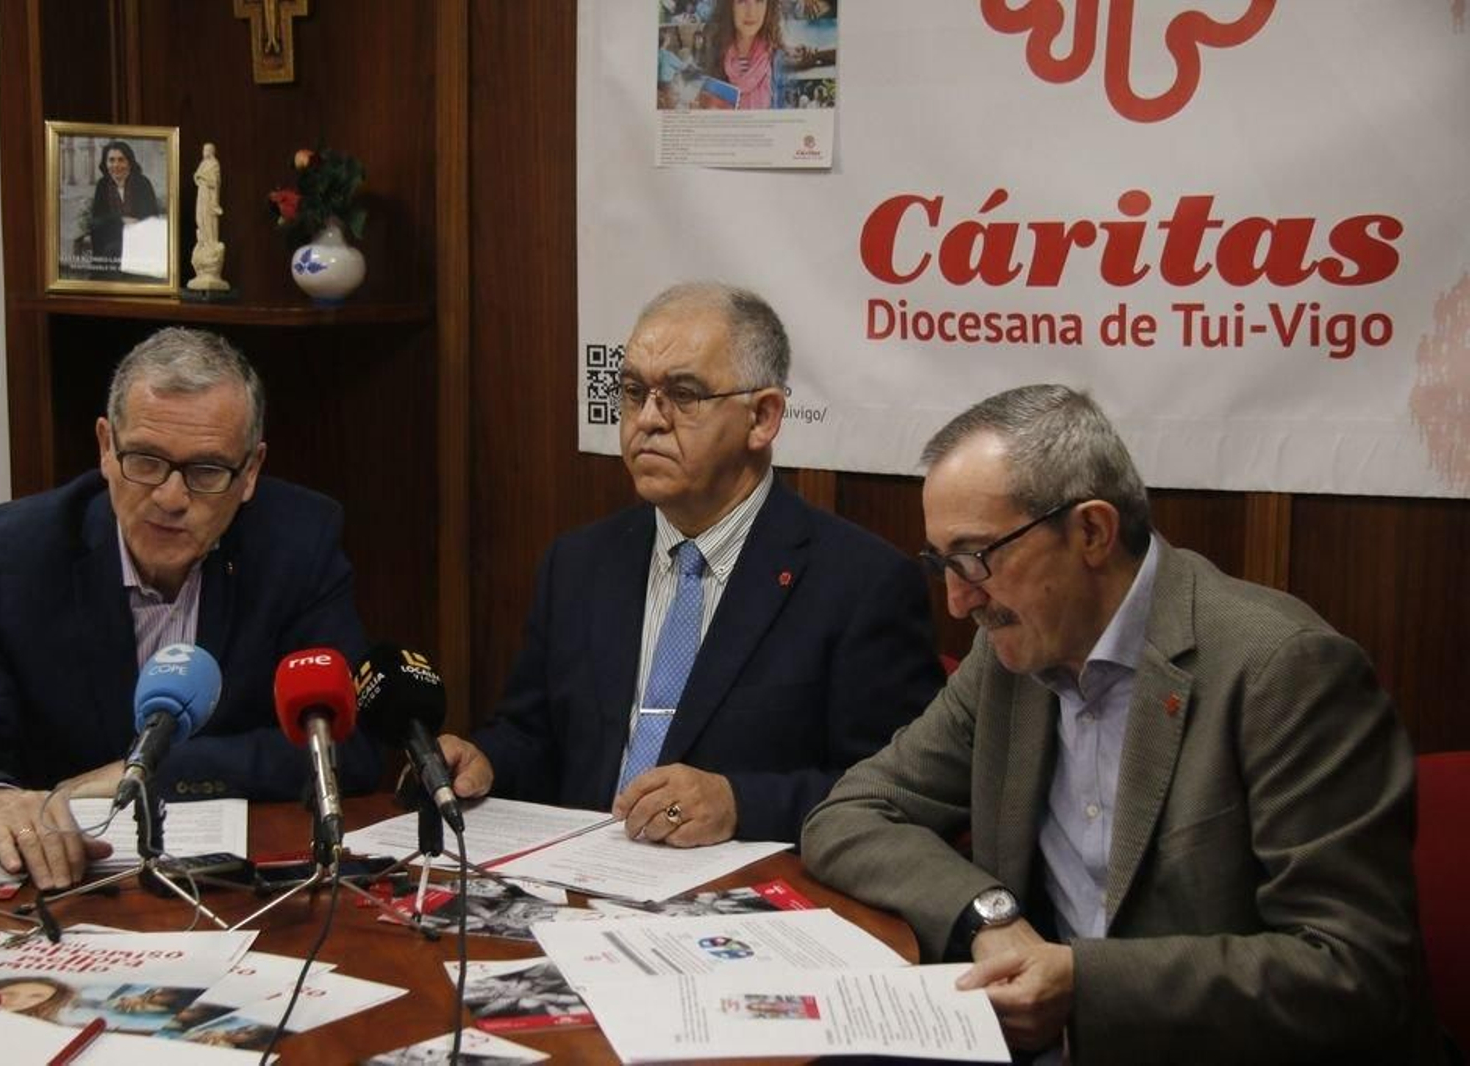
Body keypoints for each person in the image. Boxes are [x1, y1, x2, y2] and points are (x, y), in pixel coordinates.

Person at [800, 384, 1443, 1065]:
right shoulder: (1008, 659)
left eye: (977, 558)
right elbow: (851, 813)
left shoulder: (1284, 671)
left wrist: (1084, 984)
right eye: (942, 565)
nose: (958, 602)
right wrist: (989, 915)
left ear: (1093, 532)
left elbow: (1355, 970)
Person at [439, 282, 940, 846]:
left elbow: (902, 794)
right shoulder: (578, 565)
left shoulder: (860, 583)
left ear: (763, 418)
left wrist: (740, 803)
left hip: (743, 904)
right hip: (575, 885)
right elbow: (536, 738)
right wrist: (485, 763)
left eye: (682, 395)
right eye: (633, 392)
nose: (648, 419)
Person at [0, 327, 382, 889]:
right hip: (65, 892)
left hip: (234, 891)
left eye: (207, 471)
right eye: (145, 461)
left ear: (250, 473)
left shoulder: (297, 545)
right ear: (104, 446)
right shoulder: (21, 553)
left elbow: (349, 744)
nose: (170, 498)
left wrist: (151, 773)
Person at [87, 139, 161, 269]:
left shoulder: (142, 183)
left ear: (129, 162)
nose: (116, 165)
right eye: (111, 160)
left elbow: (151, 218)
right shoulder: (102, 185)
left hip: (139, 242)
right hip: (110, 242)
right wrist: (120, 220)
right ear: (105, 163)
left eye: (121, 160)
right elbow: (96, 221)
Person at [703, 0, 787, 109]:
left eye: (759, 1)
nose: (751, 12)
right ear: (729, 6)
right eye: (742, 1)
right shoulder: (712, 58)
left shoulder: (780, 61)